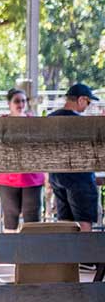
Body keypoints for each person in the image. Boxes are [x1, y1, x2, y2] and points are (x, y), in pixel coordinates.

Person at [47, 83, 101, 232]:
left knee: (65, 224)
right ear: (81, 99)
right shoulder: (83, 123)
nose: (87, 106)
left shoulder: (49, 118)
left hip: (57, 177)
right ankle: (85, 254)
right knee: (84, 223)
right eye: (88, 102)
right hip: (80, 179)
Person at [0, 88, 45, 232]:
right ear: (9, 103)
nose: (21, 104)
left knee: (32, 217)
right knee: (10, 217)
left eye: (23, 101)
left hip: (32, 177)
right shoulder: (1, 122)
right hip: (7, 177)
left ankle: (33, 250)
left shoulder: (33, 122)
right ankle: (13, 253)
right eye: (17, 101)